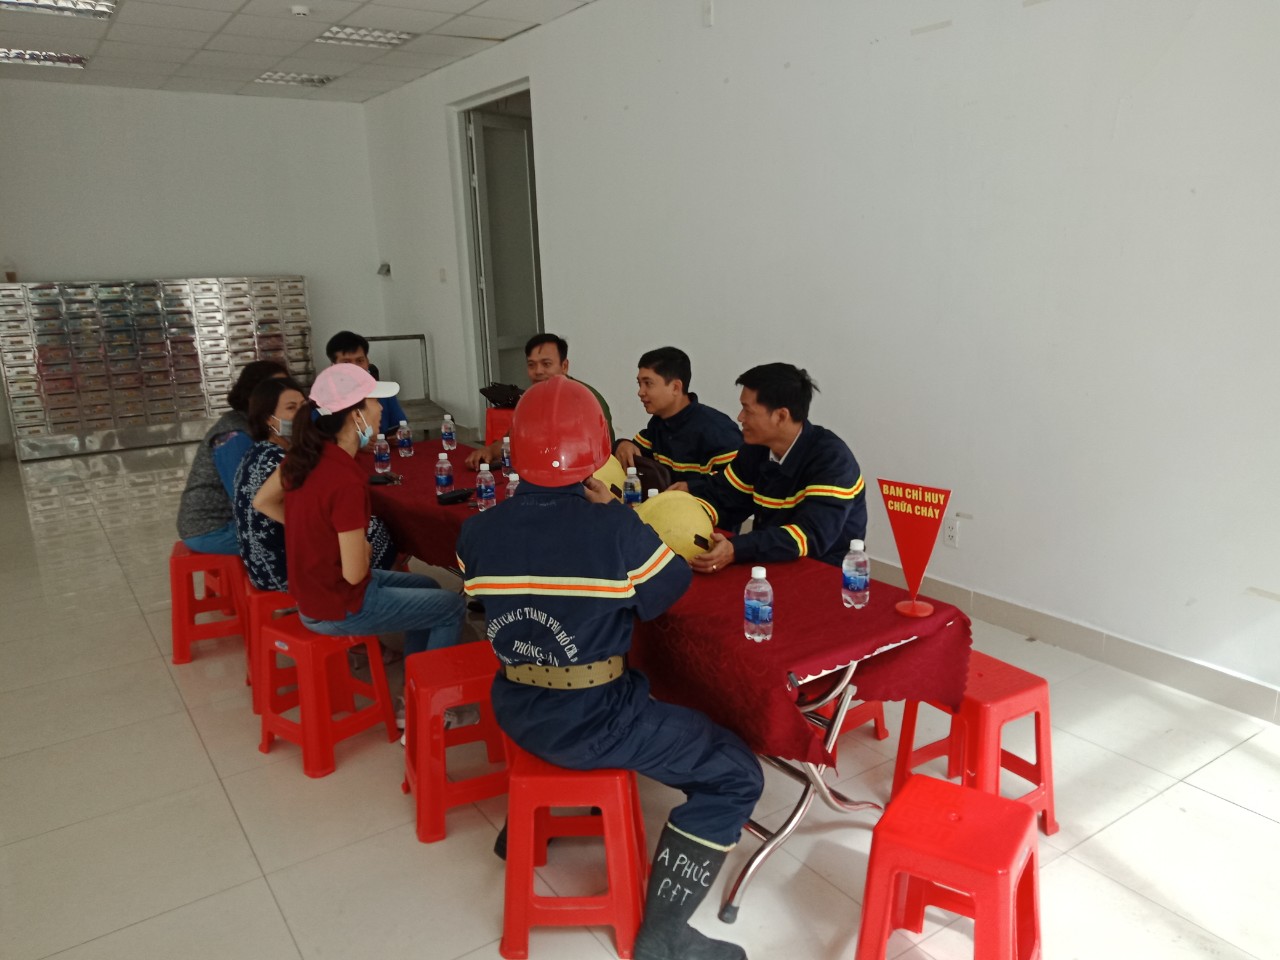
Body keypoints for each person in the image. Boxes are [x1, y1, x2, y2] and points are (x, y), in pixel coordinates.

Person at [457, 377, 761, 960]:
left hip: (517, 710)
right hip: (594, 722)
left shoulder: (477, 531)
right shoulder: (615, 529)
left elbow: (482, 599)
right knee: (736, 773)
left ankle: (523, 825)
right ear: (597, 453)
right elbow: (667, 590)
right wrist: (622, 519)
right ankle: (665, 936)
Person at [273, 363, 464, 658]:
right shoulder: (345, 480)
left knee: (425, 583)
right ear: (356, 415)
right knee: (451, 607)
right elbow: (354, 574)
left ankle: (416, 674)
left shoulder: (308, 456)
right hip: (336, 604)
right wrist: (363, 547)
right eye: (375, 401)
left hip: (314, 592)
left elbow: (267, 501)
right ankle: (430, 686)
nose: (381, 409)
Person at [688, 362, 867, 573]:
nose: (740, 418)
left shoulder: (832, 460)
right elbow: (725, 499)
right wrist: (685, 515)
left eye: (747, 410)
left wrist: (737, 548)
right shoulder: (755, 448)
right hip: (769, 560)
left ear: (781, 416)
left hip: (826, 572)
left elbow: (808, 536)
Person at [232, 377, 397, 593]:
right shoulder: (283, 460)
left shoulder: (260, 451)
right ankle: (379, 596)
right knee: (372, 529)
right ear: (269, 420)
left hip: (261, 565)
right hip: (281, 568)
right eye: (291, 408)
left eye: (303, 406)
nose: (301, 414)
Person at [176, 360, 287, 554]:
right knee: (306, 537)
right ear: (254, 395)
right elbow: (246, 499)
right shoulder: (234, 436)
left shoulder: (260, 424)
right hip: (213, 530)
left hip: (235, 520)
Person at [464, 333, 615, 470]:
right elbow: (512, 439)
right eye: (531, 365)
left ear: (564, 366)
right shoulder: (531, 398)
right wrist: (490, 451)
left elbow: (600, 452)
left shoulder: (587, 400)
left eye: (546, 364)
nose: (538, 371)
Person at [614, 346, 741, 485]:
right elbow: (636, 450)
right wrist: (622, 444)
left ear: (675, 387)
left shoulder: (718, 430)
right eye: (639, 384)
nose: (640, 392)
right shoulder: (659, 423)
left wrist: (690, 488)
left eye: (648, 384)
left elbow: (736, 482)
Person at [325, 329, 408, 436]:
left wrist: (397, 437)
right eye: (346, 362)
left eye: (360, 361)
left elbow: (401, 427)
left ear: (368, 362)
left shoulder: (383, 392)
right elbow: (319, 438)